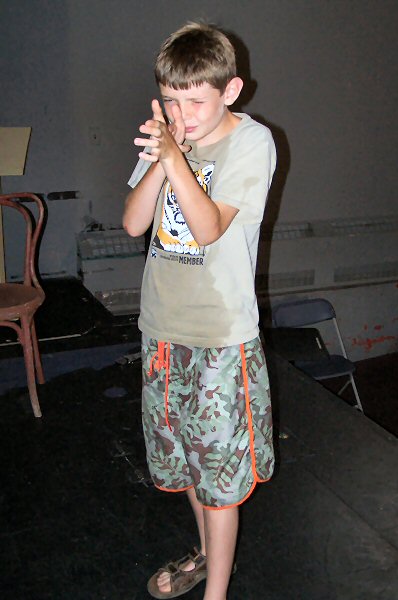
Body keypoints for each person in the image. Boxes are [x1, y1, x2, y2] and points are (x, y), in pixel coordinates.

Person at [123, 21, 276, 600]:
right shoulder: (172, 139)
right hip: (161, 328)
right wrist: (165, 157)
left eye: (195, 102)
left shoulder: (251, 142)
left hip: (218, 337)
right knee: (185, 464)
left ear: (230, 91)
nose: (181, 115)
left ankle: (217, 593)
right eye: (170, 100)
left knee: (220, 481)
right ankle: (210, 556)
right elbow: (134, 223)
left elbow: (208, 227)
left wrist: (177, 159)